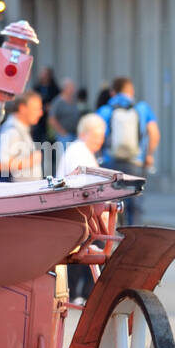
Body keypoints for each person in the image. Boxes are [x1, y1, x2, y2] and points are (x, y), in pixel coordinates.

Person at [57, 114, 108, 306]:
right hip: (79, 215)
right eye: (97, 136)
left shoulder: (81, 150)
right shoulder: (79, 152)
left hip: (81, 214)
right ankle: (82, 294)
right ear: (85, 134)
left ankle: (82, 293)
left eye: (102, 137)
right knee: (88, 250)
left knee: (89, 249)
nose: (100, 141)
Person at [97, 76, 160, 226]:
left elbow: (97, 134)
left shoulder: (105, 110)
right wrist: (149, 155)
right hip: (135, 163)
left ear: (113, 92)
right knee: (135, 205)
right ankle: (133, 241)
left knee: (111, 203)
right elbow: (154, 133)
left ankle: (111, 238)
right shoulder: (142, 108)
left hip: (110, 162)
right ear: (131, 90)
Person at [0, 90, 46, 179]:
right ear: (22, 108)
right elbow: (1, 163)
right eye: (36, 109)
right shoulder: (11, 131)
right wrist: (30, 161)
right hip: (17, 191)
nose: (41, 113)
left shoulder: (21, 128)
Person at [48, 78, 80, 144]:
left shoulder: (74, 100)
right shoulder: (58, 102)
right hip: (64, 136)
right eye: (71, 87)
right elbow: (51, 119)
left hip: (75, 134)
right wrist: (62, 133)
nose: (73, 89)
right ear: (64, 88)